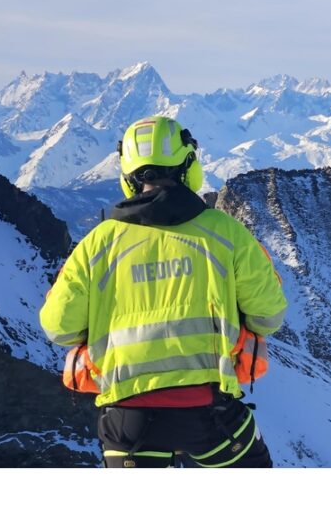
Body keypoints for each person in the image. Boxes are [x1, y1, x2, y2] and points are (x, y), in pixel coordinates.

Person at [40, 115, 287, 468]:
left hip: (127, 422)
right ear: (188, 166)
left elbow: (59, 327)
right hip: (210, 414)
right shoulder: (225, 234)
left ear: (127, 177)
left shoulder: (97, 244)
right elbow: (268, 315)